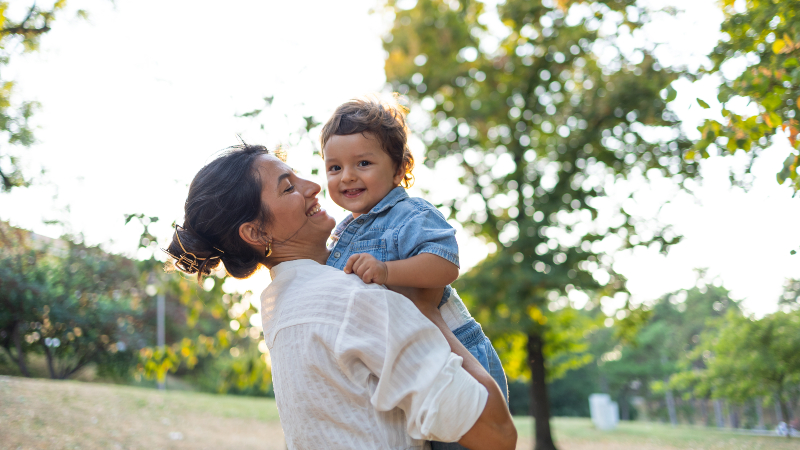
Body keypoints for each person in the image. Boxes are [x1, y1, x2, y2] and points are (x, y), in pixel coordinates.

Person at [164, 144, 516, 450]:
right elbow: (498, 435)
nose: (315, 185)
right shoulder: (355, 300)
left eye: (298, 175)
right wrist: (429, 312)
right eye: (288, 188)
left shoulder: (279, 312)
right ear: (256, 232)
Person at [319, 97, 508, 427]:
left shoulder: (410, 214)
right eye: (335, 167)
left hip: (457, 354)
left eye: (363, 163)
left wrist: (387, 270)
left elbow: (444, 264)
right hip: (414, 360)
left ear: (400, 168)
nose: (346, 176)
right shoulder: (344, 233)